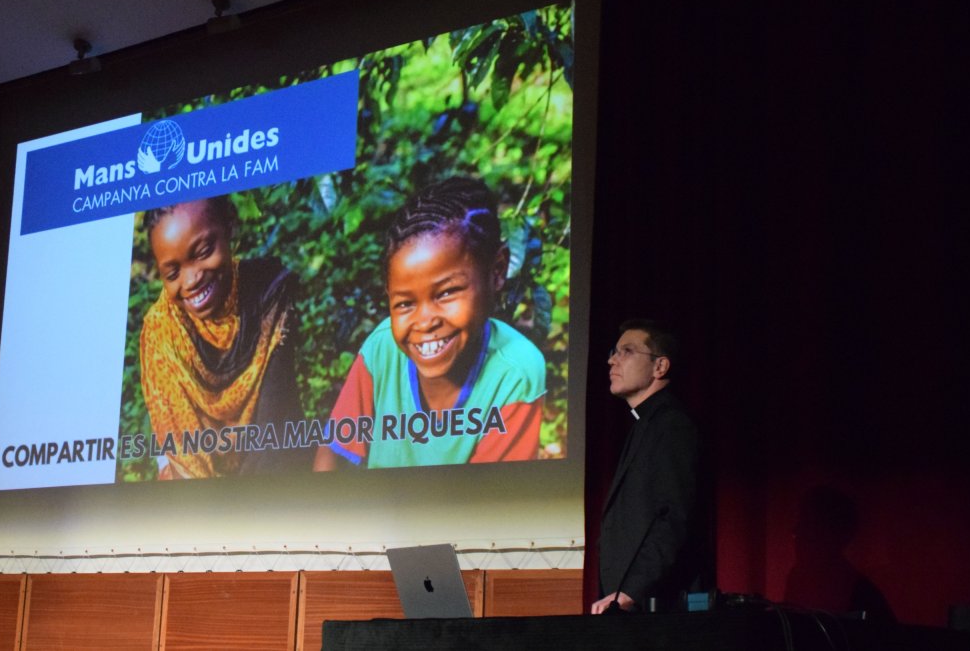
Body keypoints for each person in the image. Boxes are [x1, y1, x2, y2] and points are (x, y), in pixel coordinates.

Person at [314, 177, 545, 470]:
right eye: (405, 303)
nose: (424, 322)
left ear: (497, 270)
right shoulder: (382, 346)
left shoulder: (515, 372)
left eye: (447, 292)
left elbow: (490, 503)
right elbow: (332, 455)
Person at [138, 196, 310, 478]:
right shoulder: (161, 334)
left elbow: (276, 429)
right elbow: (181, 452)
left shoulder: (267, 294)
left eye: (203, 251)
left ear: (230, 224)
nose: (192, 280)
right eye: (172, 273)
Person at [591, 319, 704, 613]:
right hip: (630, 605)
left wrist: (631, 591)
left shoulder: (672, 425)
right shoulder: (645, 424)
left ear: (660, 367)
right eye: (613, 351)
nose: (611, 360)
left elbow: (674, 518)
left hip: (656, 608)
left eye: (626, 351)